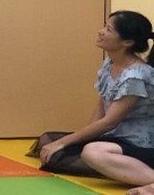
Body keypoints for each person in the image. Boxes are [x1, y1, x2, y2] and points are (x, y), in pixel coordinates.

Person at [32, 11, 154, 194]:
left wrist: (65, 142)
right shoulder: (110, 63)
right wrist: (83, 138)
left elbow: (110, 121)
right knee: (46, 141)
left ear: (127, 42)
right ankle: (120, 170)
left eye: (108, 29)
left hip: (138, 143)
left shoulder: (136, 75)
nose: (101, 31)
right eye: (105, 26)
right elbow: (101, 106)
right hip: (113, 137)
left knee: (91, 152)